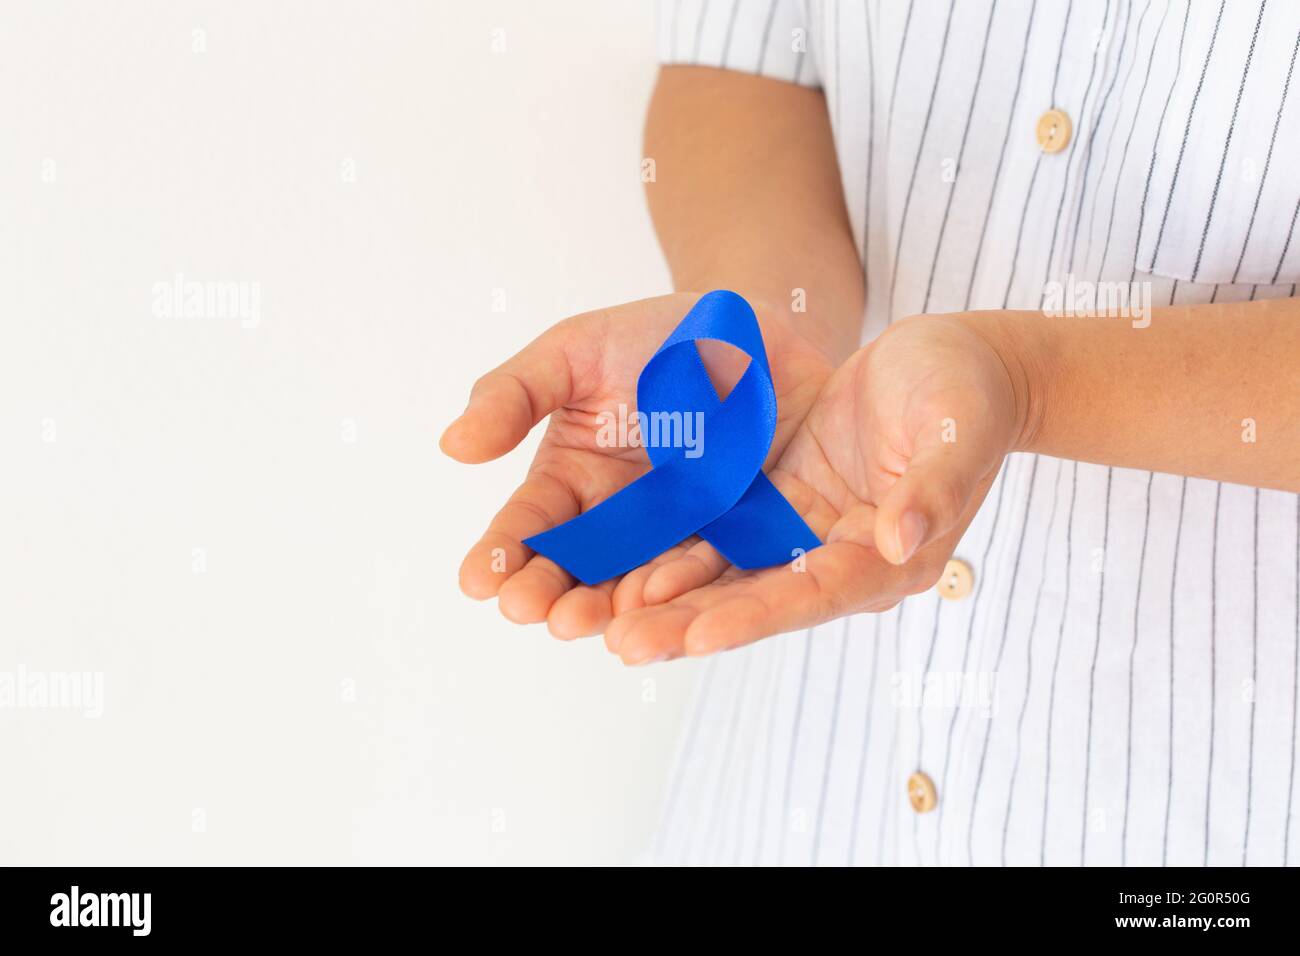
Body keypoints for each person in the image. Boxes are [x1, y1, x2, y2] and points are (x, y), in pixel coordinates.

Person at [441, 0, 1300, 865]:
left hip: (1205, 789)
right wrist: (768, 321)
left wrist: (1025, 379)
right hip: (806, 773)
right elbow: (741, 61)